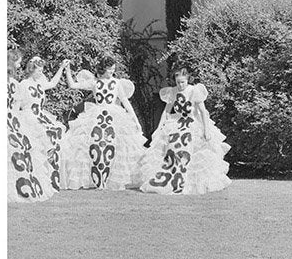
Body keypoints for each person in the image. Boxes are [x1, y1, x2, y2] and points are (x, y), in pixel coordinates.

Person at [137, 66, 231, 195]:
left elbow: (203, 111)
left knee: (192, 150)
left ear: (187, 80)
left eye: (183, 82)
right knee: (171, 147)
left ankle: (189, 183)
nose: (180, 85)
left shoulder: (194, 91)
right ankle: (172, 179)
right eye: (178, 82)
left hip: (193, 123)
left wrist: (206, 130)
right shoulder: (172, 92)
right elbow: (166, 111)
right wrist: (159, 128)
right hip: (176, 123)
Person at [58, 56, 145, 190]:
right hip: (96, 114)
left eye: (113, 69)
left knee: (118, 144)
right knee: (90, 144)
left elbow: (125, 101)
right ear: (103, 69)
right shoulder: (95, 82)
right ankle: (94, 178)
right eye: (109, 69)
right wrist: (67, 70)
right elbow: (73, 85)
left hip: (115, 115)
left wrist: (135, 120)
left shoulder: (116, 83)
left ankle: (112, 179)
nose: (112, 71)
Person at [6, 51, 54, 202]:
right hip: (8, 119)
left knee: (23, 149)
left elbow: (16, 105)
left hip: (12, 120)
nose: (20, 66)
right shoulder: (14, 83)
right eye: (18, 63)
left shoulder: (13, 83)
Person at [19, 55, 68, 190]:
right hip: (29, 116)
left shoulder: (39, 84)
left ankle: (53, 179)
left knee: (57, 133)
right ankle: (41, 178)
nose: (41, 73)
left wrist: (62, 68)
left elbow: (52, 83)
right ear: (31, 70)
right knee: (43, 140)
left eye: (41, 70)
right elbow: (18, 103)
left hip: (41, 115)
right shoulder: (23, 84)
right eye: (38, 71)